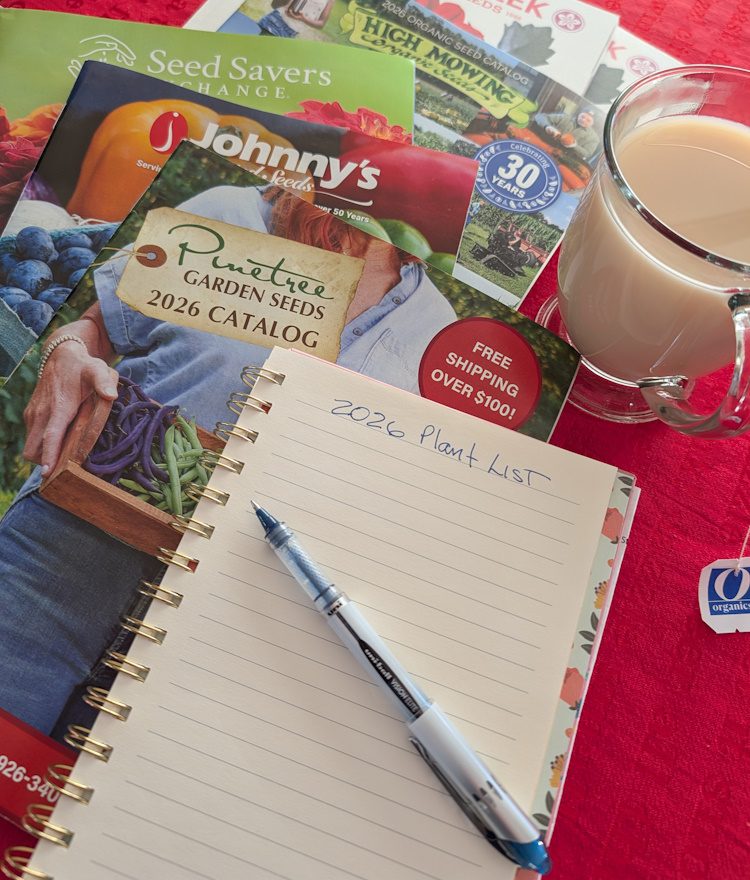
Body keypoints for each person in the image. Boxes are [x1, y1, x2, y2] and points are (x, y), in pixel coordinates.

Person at [0, 184, 457, 737]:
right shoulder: (228, 214)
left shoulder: (437, 327)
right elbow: (93, 329)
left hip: (224, 622)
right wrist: (64, 352)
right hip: (64, 547)